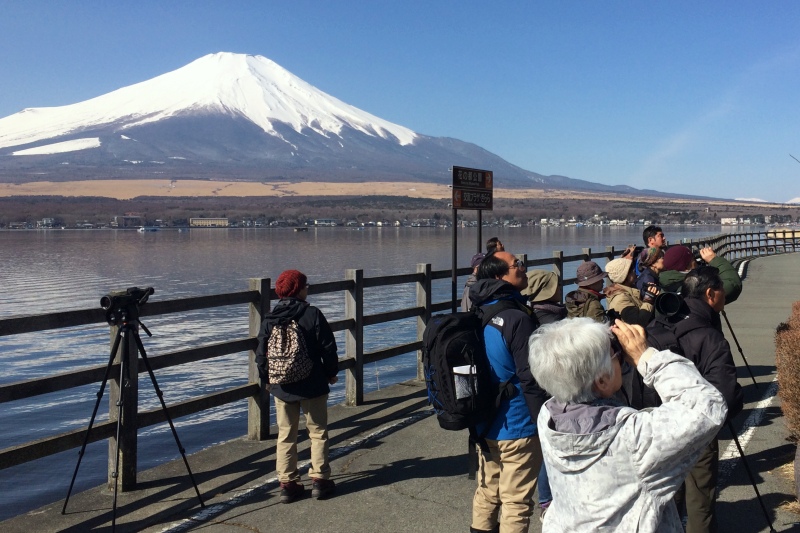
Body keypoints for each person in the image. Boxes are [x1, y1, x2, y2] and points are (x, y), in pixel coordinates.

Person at [528, 318, 727, 532]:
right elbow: (708, 407)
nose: (622, 357)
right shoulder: (633, 438)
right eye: (616, 355)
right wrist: (645, 356)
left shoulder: (548, 415)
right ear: (602, 381)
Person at [468, 251, 547, 533]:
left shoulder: (478, 311)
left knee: (488, 492)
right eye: (517, 265)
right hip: (517, 423)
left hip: (483, 420)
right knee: (516, 501)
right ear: (500, 276)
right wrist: (545, 422)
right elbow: (531, 378)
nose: (523, 269)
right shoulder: (516, 318)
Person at [664, 266, 744, 532]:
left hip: (659, 426)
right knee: (700, 501)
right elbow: (727, 398)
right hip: (698, 429)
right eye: (721, 290)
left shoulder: (663, 322)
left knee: (665, 497)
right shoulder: (710, 337)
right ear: (710, 294)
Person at [255, 270, 340, 503]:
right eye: (306, 285)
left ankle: (288, 483)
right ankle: (320, 481)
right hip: (313, 383)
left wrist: (268, 380)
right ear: (298, 289)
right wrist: (331, 373)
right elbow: (328, 348)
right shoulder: (312, 314)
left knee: (285, 435)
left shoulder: (270, 318)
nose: (307, 289)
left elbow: (261, 354)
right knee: (318, 432)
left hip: (281, 386)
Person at [520, 268, 566, 521]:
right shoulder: (549, 322)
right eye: (556, 286)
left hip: (542, 391)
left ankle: (547, 499)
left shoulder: (531, 317)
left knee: (546, 449)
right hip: (552, 391)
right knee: (550, 451)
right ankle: (548, 499)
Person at [659, 246, 743, 304]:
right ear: (686, 266)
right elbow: (733, 285)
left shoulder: (662, 285)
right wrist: (714, 260)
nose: (696, 262)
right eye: (693, 260)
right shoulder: (694, 286)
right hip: (703, 328)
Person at [604, 257, 655, 327]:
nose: (635, 273)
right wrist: (649, 299)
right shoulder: (620, 299)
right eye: (632, 271)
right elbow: (637, 322)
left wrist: (647, 292)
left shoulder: (629, 290)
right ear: (625, 276)